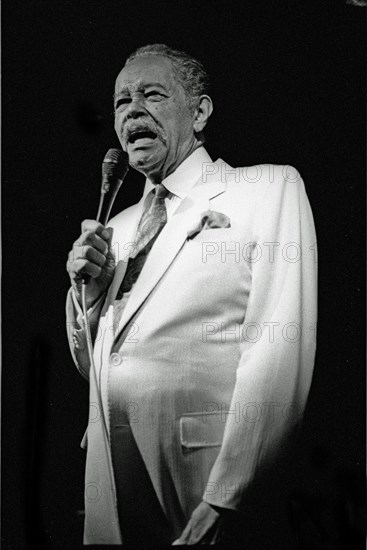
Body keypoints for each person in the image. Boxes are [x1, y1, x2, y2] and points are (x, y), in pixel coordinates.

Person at [66, 44, 317, 546]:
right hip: (113, 488)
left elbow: (277, 350)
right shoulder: (116, 226)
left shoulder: (266, 189)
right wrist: (86, 300)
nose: (131, 109)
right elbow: (93, 365)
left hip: (203, 479)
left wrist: (226, 497)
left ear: (199, 111)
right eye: (120, 102)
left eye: (151, 94)